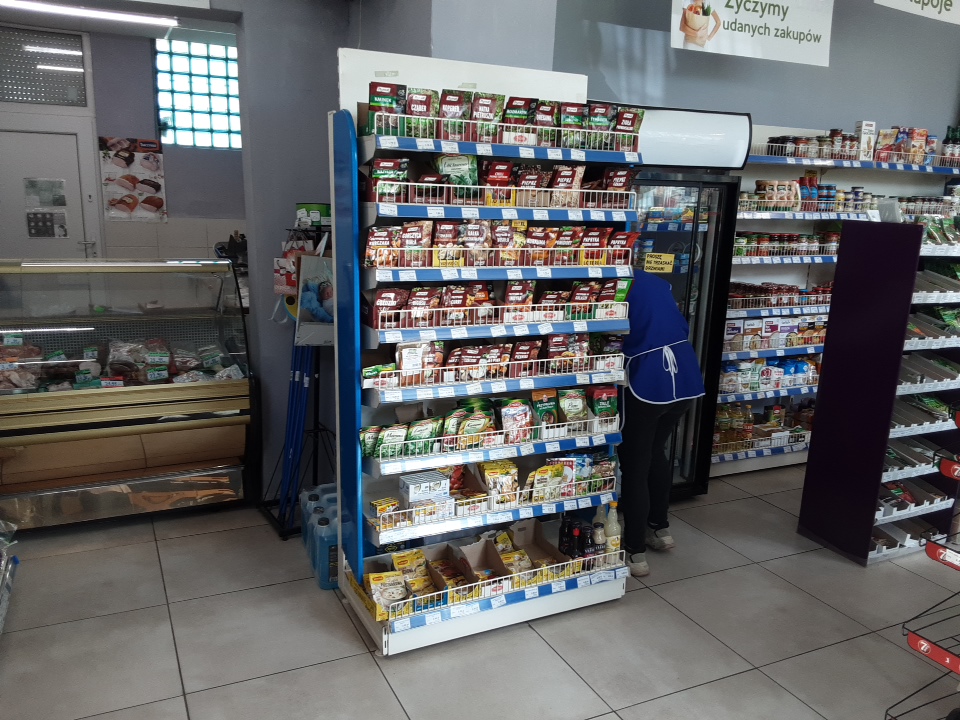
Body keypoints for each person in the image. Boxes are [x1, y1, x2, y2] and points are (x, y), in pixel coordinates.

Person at [618, 270, 705, 577]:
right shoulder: (657, 282)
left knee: (635, 465)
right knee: (656, 453)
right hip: (684, 374)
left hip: (648, 378)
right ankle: (659, 529)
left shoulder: (614, 284)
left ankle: (635, 551)